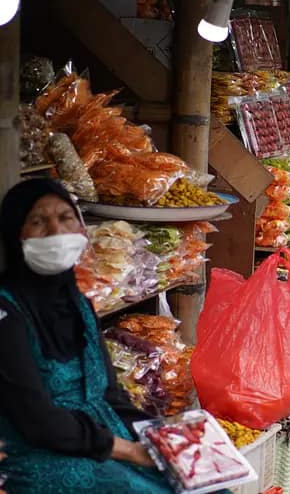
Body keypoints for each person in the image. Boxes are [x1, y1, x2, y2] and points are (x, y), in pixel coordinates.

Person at [0, 178, 171, 493]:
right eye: (38, 221)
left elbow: (110, 393)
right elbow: (36, 420)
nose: (56, 231)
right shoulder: (6, 312)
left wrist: (160, 436)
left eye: (65, 218)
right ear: (16, 235)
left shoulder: (78, 302)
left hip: (106, 435)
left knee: (199, 483)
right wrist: (129, 450)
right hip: (46, 454)